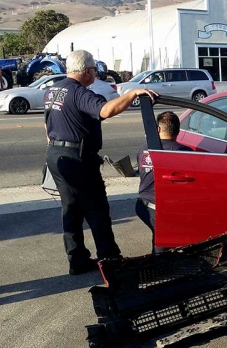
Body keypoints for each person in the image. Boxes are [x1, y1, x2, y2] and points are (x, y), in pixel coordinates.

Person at [44, 49, 157, 275]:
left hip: (56, 154)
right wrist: (133, 93)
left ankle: (77, 260)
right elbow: (105, 110)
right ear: (86, 71)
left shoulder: (53, 90)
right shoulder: (79, 92)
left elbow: (47, 124)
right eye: (94, 69)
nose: (96, 73)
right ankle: (110, 258)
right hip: (78, 159)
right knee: (96, 208)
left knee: (71, 210)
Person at [136, 111, 192, 253]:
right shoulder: (184, 152)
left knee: (161, 238)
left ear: (158, 129)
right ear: (178, 131)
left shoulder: (144, 148)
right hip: (160, 209)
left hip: (143, 205)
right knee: (162, 244)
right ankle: (158, 270)